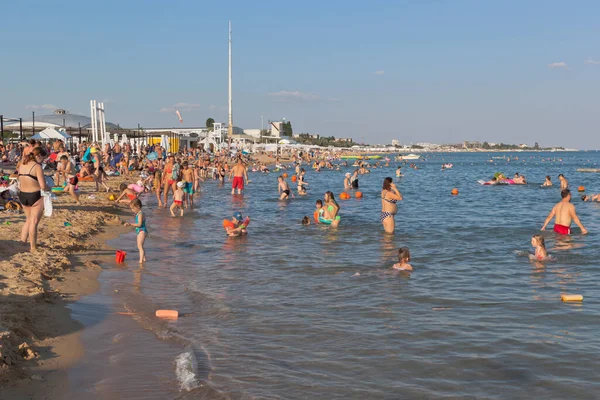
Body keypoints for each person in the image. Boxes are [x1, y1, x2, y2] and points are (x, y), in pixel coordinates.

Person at [17, 147, 50, 252]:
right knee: (34, 222)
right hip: (35, 195)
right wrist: (50, 188)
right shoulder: (37, 167)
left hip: (23, 195)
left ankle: (22, 242)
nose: (43, 161)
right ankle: (33, 247)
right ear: (38, 156)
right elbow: (43, 186)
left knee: (28, 219)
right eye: (43, 159)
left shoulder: (22, 164)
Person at [124, 199, 147, 263]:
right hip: (141, 231)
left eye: (133, 208)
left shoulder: (140, 214)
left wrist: (130, 224)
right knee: (141, 246)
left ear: (138, 206)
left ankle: (140, 261)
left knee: (139, 246)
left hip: (142, 231)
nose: (132, 210)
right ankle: (144, 259)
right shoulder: (139, 213)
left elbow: (139, 224)